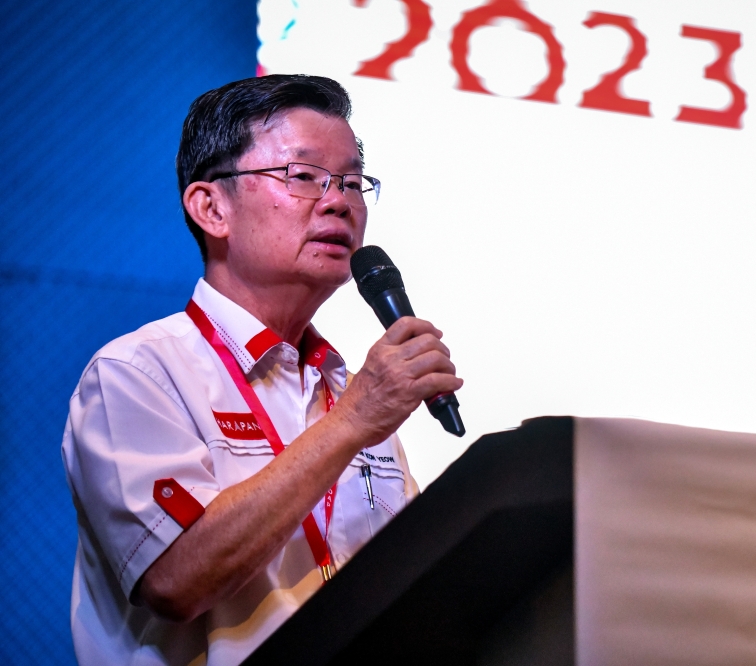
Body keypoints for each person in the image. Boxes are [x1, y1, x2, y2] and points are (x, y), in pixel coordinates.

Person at [61, 74, 463, 665]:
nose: (339, 201)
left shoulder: (347, 393)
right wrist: (354, 421)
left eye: (353, 182)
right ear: (211, 207)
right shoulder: (138, 372)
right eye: (303, 176)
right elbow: (176, 577)